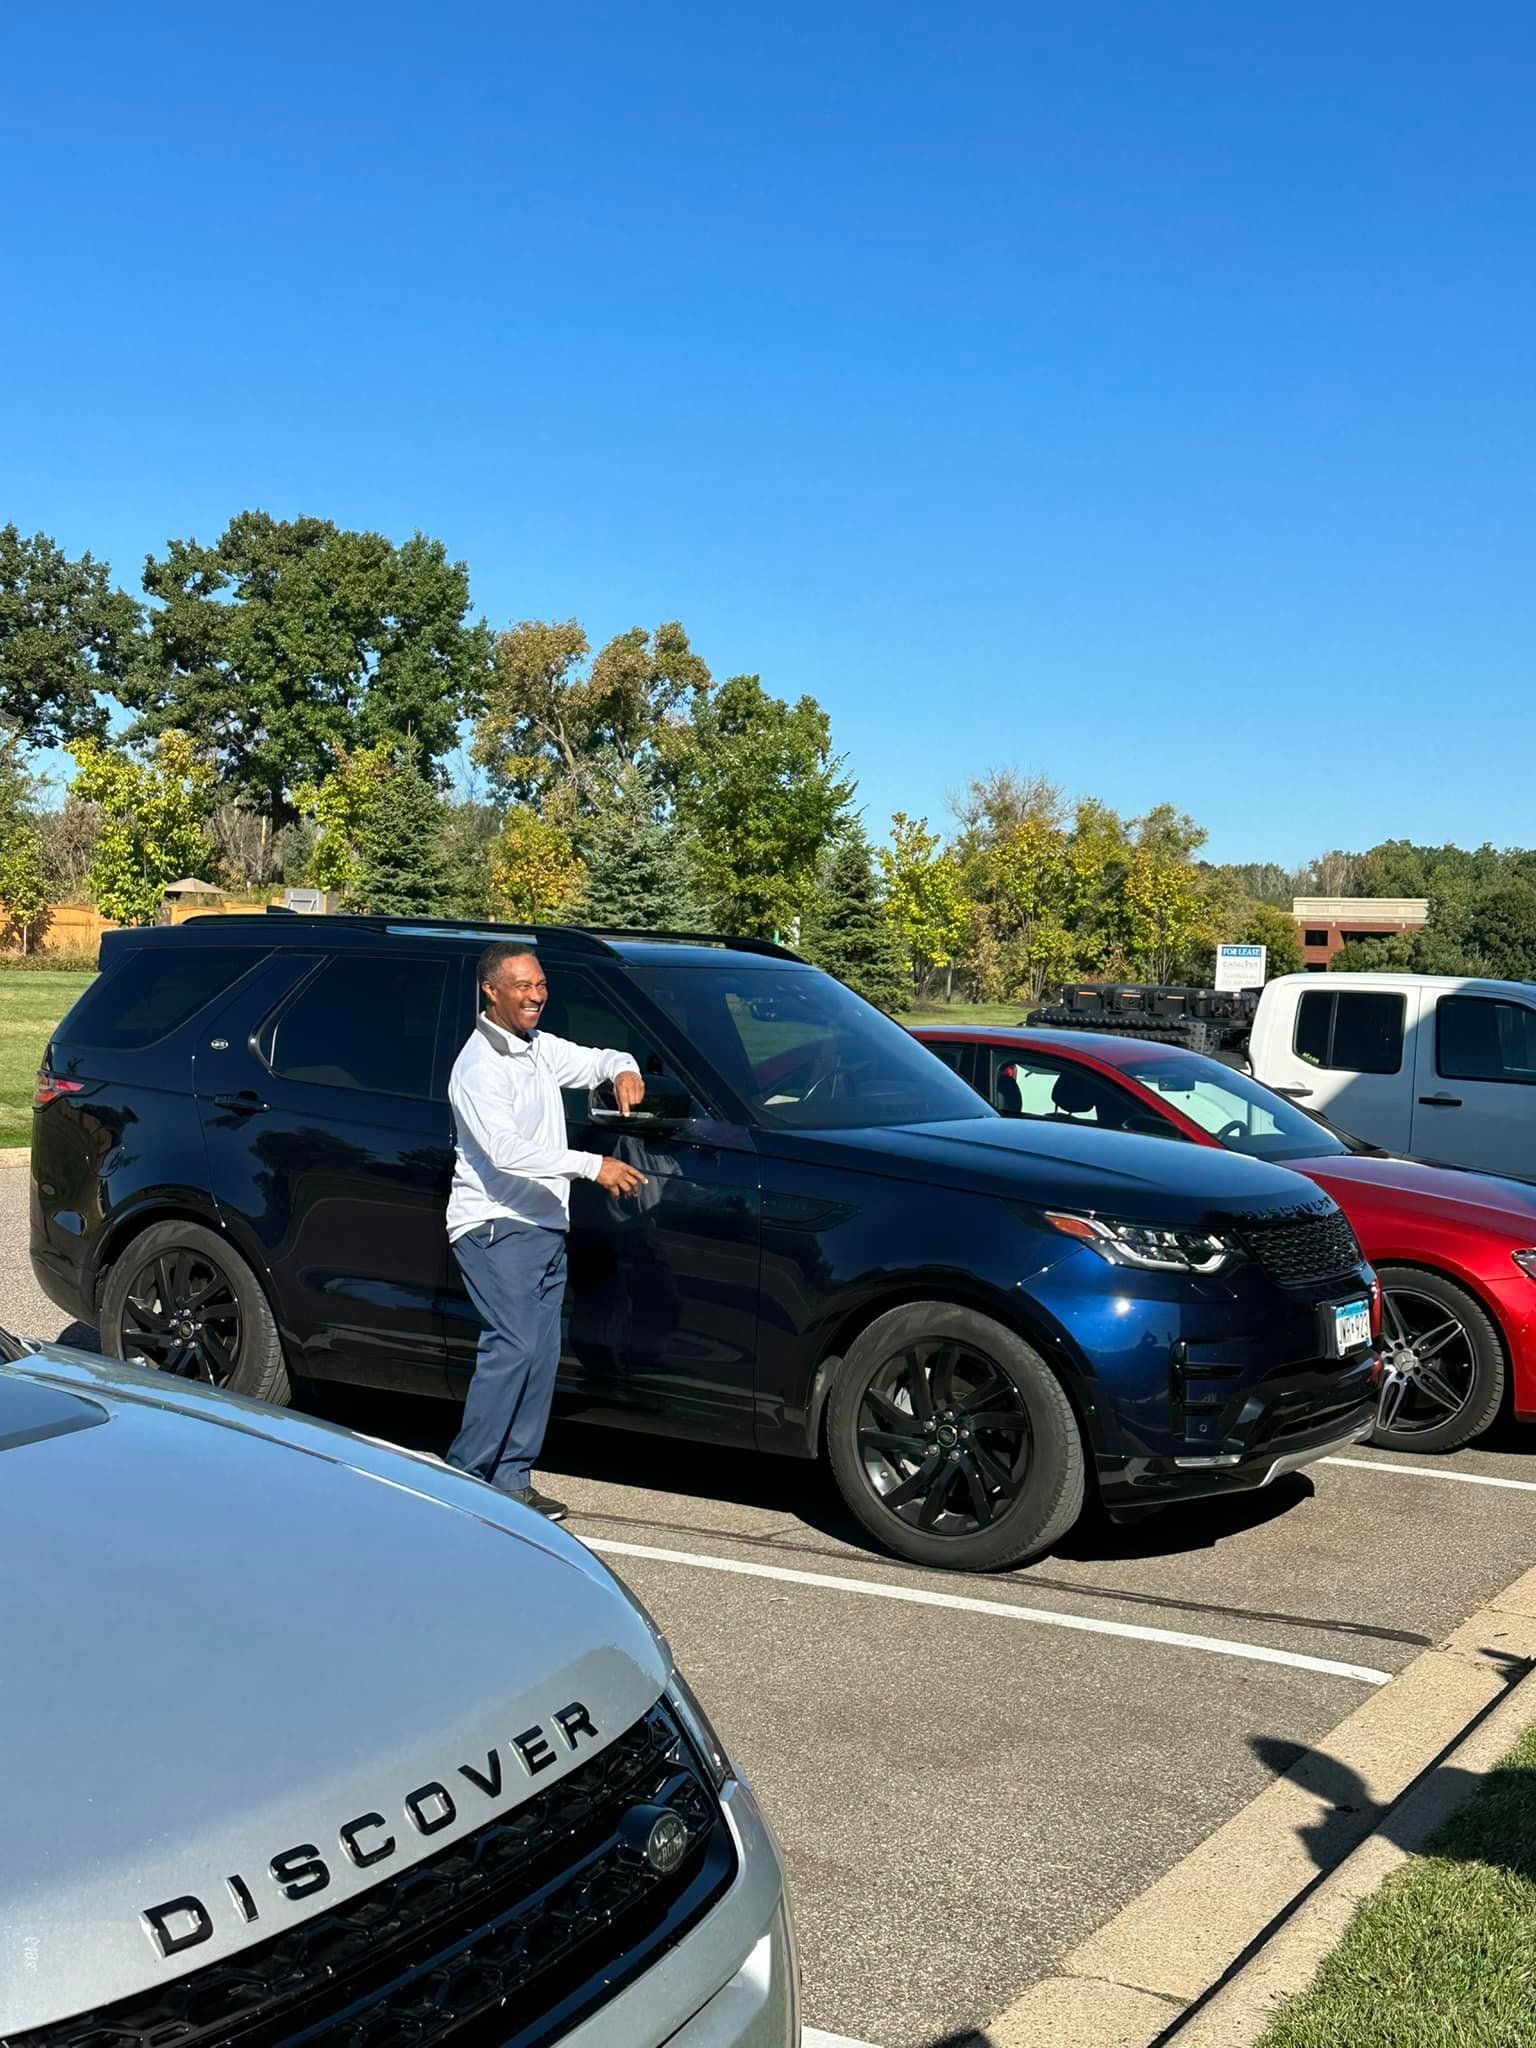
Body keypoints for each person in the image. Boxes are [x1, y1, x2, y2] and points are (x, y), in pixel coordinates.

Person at [445, 941, 647, 1518]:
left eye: (540, 985)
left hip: (542, 1225)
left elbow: (597, 1060)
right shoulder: (478, 1067)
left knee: (541, 1353)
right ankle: (465, 1479)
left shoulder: (537, 1049)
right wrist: (592, 1165)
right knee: (514, 1346)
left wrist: (625, 1067)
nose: (536, 996)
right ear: (492, 991)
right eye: (523, 986)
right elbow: (505, 1151)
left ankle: (511, 1479)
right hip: (493, 1224)